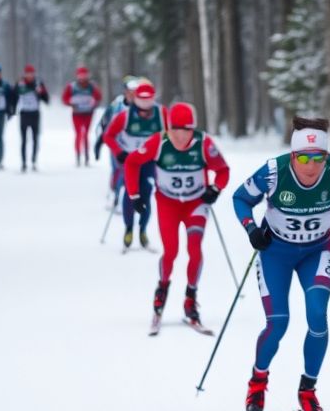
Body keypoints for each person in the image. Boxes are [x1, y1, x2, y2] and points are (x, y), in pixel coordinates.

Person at [232, 117, 330, 411]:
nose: (311, 165)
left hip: (317, 251)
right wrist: (251, 229)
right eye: (304, 158)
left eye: (318, 157)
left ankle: (307, 390)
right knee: (278, 322)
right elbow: (240, 199)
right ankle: (258, 382)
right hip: (276, 254)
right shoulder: (273, 171)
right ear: (293, 155)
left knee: (317, 317)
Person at [125, 102, 230, 330]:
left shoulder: (204, 143)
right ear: (169, 128)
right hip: (168, 204)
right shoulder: (158, 142)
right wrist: (134, 195)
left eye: (187, 131)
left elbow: (223, 170)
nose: (182, 137)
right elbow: (132, 162)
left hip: (195, 204)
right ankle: (162, 289)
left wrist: (216, 188)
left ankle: (190, 297)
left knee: (194, 248)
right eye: (177, 131)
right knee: (171, 251)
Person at [102, 79, 163, 249]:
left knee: (147, 193)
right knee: (130, 194)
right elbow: (108, 136)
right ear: (135, 101)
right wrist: (118, 152)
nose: (144, 112)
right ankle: (128, 228)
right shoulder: (125, 116)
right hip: (130, 161)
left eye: (148, 108)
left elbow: (176, 134)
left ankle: (142, 230)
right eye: (141, 107)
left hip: (151, 161)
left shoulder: (162, 114)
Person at [96, 76, 137, 203]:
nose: (132, 95)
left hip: (132, 145)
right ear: (125, 91)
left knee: (129, 172)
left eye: (135, 92)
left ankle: (127, 197)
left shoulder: (141, 107)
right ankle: (115, 195)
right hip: (116, 144)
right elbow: (104, 123)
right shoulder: (116, 105)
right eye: (130, 92)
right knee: (117, 170)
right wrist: (99, 142)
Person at [62, 66, 102, 166]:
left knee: (86, 134)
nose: (83, 78)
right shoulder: (72, 87)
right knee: (79, 133)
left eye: (85, 75)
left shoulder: (92, 86)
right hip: (77, 114)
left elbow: (98, 97)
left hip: (88, 113)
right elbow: (64, 98)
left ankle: (87, 156)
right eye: (81, 75)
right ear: (77, 76)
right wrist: (71, 104)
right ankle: (78, 156)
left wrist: (94, 103)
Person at [11, 64, 50, 172]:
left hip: (35, 114)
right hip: (24, 114)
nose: (30, 76)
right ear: (25, 74)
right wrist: (12, 111)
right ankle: (23, 163)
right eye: (27, 73)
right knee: (23, 140)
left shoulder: (38, 83)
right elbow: (13, 97)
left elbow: (46, 99)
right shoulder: (20, 83)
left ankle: (33, 161)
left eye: (31, 73)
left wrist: (41, 92)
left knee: (35, 139)